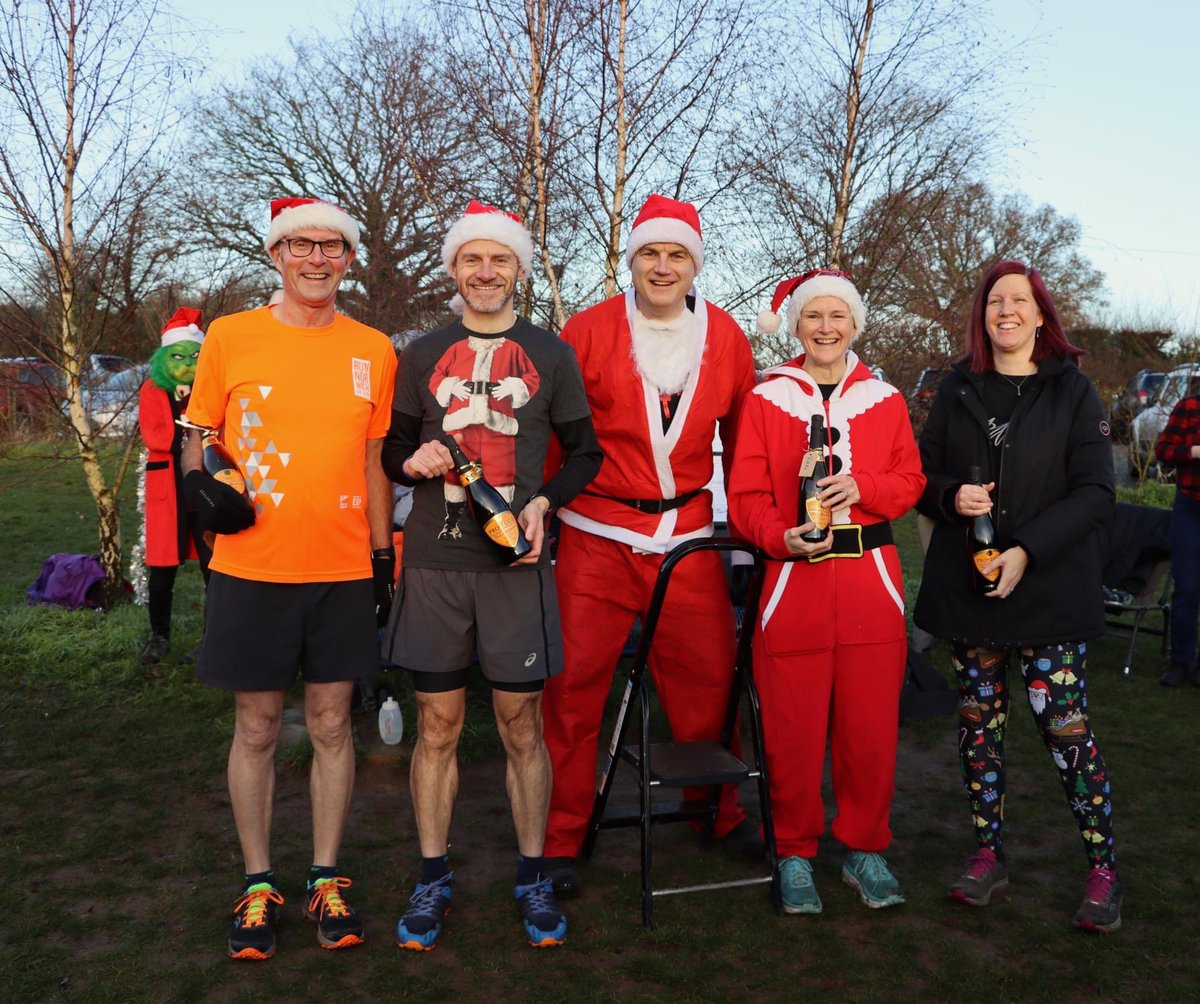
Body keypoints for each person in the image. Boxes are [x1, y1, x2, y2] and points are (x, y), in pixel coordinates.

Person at [381, 201, 601, 951]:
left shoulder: (552, 353)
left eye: (499, 260)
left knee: (520, 726)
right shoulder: (420, 353)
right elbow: (392, 452)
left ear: (519, 270)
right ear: (453, 269)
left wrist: (545, 502)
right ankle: (432, 875)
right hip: (438, 562)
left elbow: (586, 454)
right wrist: (413, 461)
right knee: (437, 726)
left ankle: (532, 875)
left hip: (517, 563)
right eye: (472, 259)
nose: (485, 272)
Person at [184, 197, 398, 959]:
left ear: (347, 259)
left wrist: (381, 561)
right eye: (301, 245)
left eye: (331, 247)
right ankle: (256, 884)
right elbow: (200, 438)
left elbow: (375, 463)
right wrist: (200, 492)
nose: (316, 259)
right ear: (276, 255)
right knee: (258, 727)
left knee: (336, 726)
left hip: (341, 568)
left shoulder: (374, 347)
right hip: (251, 566)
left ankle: (327, 878)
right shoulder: (230, 336)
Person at [540, 194, 759, 898]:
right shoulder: (587, 329)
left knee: (707, 687)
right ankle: (561, 836)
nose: (662, 268)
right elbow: (558, 435)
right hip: (596, 534)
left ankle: (715, 813)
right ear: (630, 259)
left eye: (677, 256)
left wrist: (756, 526)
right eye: (650, 254)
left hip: (688, 537)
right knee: (572, 692)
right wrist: (542, 516)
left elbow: (748, 446)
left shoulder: (726, 336)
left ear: (694, 265)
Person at [914, 260, 1121, 933]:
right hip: (971, 595)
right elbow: (919, 474)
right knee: (979, 731)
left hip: (1047, 596)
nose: (1005, 311)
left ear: (1040, 315)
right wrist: (950, 495)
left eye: (1019, 301)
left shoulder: (1074, 392)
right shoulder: (956, 388)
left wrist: (1026, 550)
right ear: (982, 316)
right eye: (994, 301)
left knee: (1067, 733)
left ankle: (1103, 868)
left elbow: (1095, 494)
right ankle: (987, 853)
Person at [728, 268, 924, 914]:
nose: (826, 327)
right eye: (814, 317)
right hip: (793, 583)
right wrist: (780, 538)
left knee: (869, 728)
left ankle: (866, 848)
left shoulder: (886, 399)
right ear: (796, 325)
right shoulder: (766, 398)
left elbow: (910, 482)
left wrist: (864, 487)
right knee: (792, 727)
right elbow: (746, 499)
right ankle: (794, 852)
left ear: (856, 325)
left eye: (838, 317)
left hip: (870, 582)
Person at [136, 308, 212, 665]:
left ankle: (213, 638)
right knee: (163, 567)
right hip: (167, 487)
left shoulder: (210, 388)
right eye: (178, 356)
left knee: (214, 566)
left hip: (205, 489)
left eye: (194, 356)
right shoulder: (153, 390)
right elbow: (158, 437)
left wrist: (194, 406)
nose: (186, 363)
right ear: (165, 357)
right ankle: (159, 636)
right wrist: (190, 418)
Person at [1155, 381, 1200, 687]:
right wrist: (1195, 450)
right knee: (1187, 588)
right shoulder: (1189, 407)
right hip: (1191, 508)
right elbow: (1164, 450)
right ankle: (1181, 661)